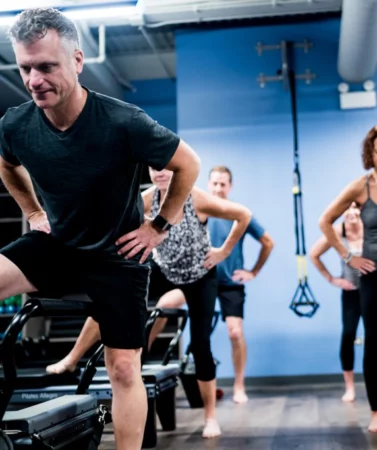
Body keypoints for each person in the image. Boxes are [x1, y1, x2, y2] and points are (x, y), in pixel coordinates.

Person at [0, 8, 202, 450]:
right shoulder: (15, 124)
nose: (34, 79)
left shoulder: (123, 121)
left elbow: (188, 163)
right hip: (57, 246)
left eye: (47, 66)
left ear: (76, 60)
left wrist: (159, 226)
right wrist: (34, 213)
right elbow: (7, 167)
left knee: (125, 368)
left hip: (118, 256)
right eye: (26, 68)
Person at [47, 166, 252, 438]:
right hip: (163, 270)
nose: (161, 173)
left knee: (201, 344)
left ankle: (210, 417)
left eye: (168, 168)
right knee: (113, 295)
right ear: (150, 171)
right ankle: (73, 358)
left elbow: (243, 215)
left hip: (200, 276)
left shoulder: (196, 198)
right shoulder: (145, 200)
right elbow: (109, 221)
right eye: (156, 168)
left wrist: (223, 251)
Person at [146, 166, 274, 404]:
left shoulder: (227, 211)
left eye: (222, 184)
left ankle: (239, 385)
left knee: (234, 332)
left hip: (227, 282)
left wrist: (252, 271)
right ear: (208, 184)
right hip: (198, 276)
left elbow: (267, 241)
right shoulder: (197, 205)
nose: (217, 188)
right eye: (214, 183)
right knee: (164, 304)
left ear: (230, 186)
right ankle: (143, 351)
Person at [318, 126, 377, 432]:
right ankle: (375, 410)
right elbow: (324, 221)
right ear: (372, 154)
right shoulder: (361, 187)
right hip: (369, 279)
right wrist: (346, 257)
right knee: (368, 342)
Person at [310, 202, 362, 403]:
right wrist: (332, 279)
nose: (351, 212)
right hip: (351, 292)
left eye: (355, 208)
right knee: (348, 334)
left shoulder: (370, 228)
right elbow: (314, 254)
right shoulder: (337, 232)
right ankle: (349, 387)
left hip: (372, 291)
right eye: (346, 209)